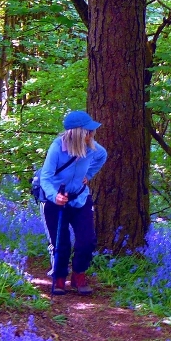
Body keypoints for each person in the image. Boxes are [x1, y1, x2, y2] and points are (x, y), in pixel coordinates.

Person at [39, 110, 107, 295]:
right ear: (79, 133)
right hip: (55, 202)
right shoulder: (57, 148)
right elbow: (45, 178)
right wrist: (55, 196)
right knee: (61, 243)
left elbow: (103, 156)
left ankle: (78, 276)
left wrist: (88, 175)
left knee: (87, 240)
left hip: (80, 198)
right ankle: (59, 277)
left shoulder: (92, 147)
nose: (92, 134)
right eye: (89, 131)